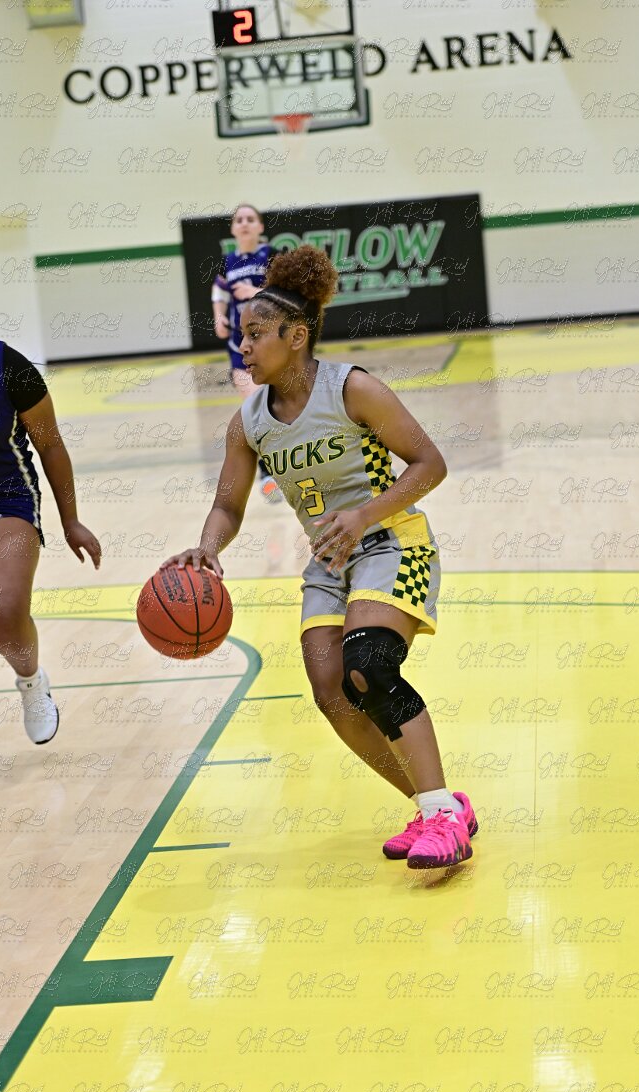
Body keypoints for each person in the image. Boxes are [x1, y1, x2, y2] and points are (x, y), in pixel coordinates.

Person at [165, 245, 478, 869]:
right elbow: (227, 506)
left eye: (256, 334)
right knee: (331, 689)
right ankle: (436, 807)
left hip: (391, 541)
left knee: (369, 665)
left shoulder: (352, 388)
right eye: (242, 335)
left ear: (297, 335)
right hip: (330, 563)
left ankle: (444, 816)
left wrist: (364, 514)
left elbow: (430, 463)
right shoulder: (248, 422)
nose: (244, 346)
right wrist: (208, 547)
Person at [0, 263, 101, 776]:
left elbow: (51, 445)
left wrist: (72, 520)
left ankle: (31, 680)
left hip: (3, 500)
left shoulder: (8, 365)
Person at [211, 203, 281, 502]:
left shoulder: (272, 255)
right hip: (240, 346)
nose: (244, 223)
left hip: (273, 343)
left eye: (250, 219)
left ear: (260, 226)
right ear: (232, 228)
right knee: (255, 406)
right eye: (239, 219)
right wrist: (219, 316)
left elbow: (286, 291)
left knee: (281, 407)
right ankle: (268, 474)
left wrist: (255, 293)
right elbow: (219, 292)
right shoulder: (227, 261)